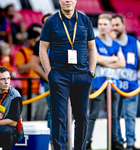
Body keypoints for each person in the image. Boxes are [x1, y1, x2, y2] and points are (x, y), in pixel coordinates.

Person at [39, 0, 97, 149]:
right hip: (59, 76)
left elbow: (92, 48)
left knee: (82, 117)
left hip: (82, 75)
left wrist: (91, 72)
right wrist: (50, 73)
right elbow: (42, 49)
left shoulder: (85, 20)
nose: (68, 1)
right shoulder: (51, 22)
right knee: (59, 117)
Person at [86, 14, 125, 150]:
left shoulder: (115, 44)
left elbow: (122, 63)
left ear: (110, 26)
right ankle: (87, 141)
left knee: (114, 115)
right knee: (93, 114)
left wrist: (106, 60)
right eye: (100, 24)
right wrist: (113, 59)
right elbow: (96, 59)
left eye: (105, 24)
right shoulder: (94, 41)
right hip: (98, 83)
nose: (102, 26)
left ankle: (115, 141)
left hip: (114, 85)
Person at [111, 14, 140, 150]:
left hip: (131, 86)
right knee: (115, 116)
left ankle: (131, 144)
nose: (114, 28)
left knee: (130, 116)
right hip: (114, 87)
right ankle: (118, 142)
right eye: (112, 25)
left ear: (124, 26)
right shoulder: (108, 43)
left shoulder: (134, 42)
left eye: (117, 25)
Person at [15, 29, 47, 121]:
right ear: (29, 39)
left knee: (41, 117)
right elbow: (20, 70)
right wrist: (34, 61)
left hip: (42, 89)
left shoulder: (43, 51)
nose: (36, 43)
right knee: (28, 116)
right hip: (29, 90)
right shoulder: (22, 52)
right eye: (34, 40)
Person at [31, 13, 52, 143]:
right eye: (45, 22)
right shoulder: (40, 43)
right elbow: (34, 65)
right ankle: (52, 141)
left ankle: (65, 139)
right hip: (50, 83)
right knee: (53, 111)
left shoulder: (65, 40)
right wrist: (49, 78)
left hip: (66, 81)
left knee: (67, 111)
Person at [0, 66, 22, 150]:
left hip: (10, 131)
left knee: (4, 130)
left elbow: (13, 122)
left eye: (8, 78)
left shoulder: (15, 96)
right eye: (3, 79)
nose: (7, 82)